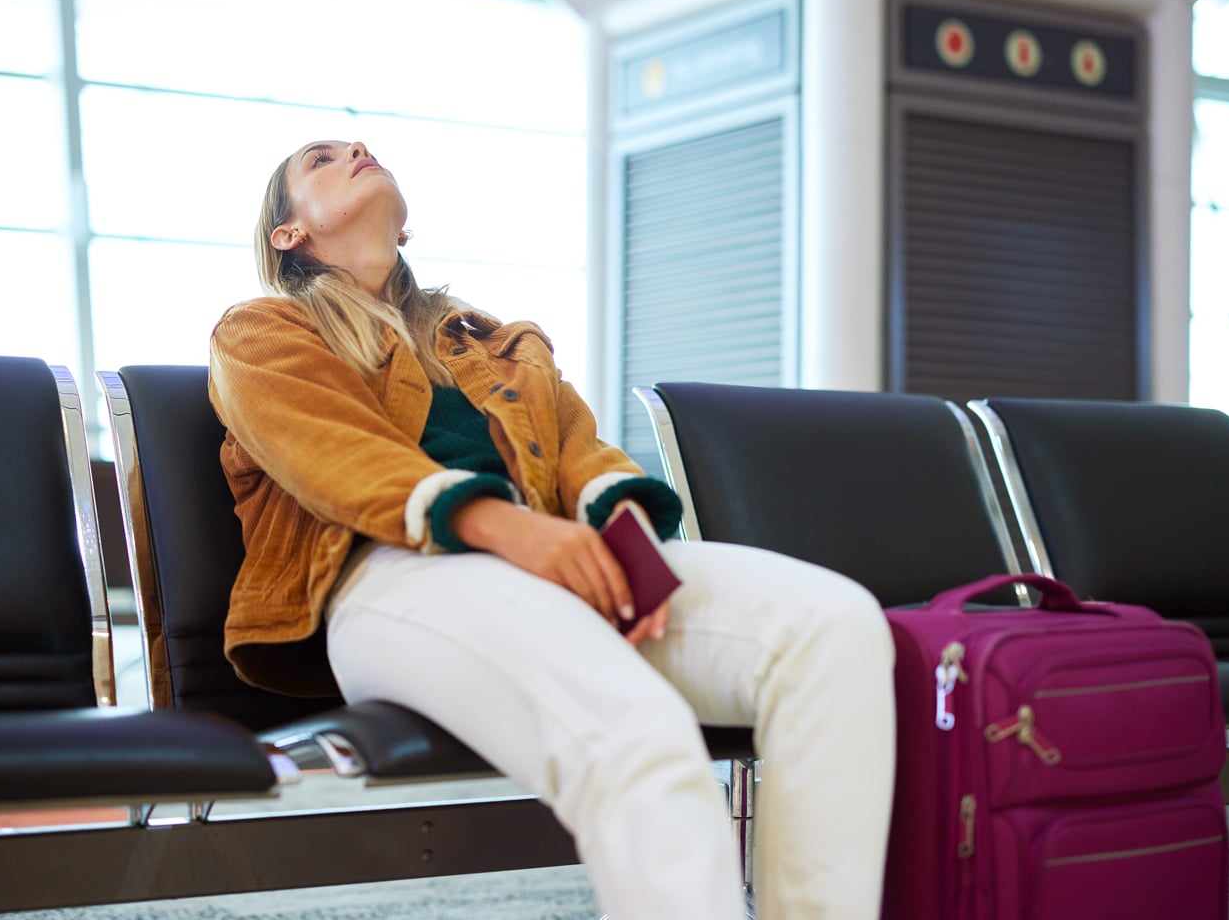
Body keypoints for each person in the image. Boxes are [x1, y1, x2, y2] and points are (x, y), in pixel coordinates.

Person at [208, 139, 897, 920]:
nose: (357, 149)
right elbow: (339, 458)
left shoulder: (498, 343)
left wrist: (626, 534)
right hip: (391, 577)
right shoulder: (260, 332)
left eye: (357, 146)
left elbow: (580, 452)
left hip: (547, 563)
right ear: (289, 233)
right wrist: (515, 531)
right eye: (322, 160)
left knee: (833, 630)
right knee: (636, 729)